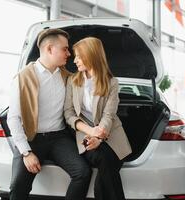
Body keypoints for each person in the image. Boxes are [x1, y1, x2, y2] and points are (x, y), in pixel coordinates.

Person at [7, 28, 91, 200]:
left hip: (59, 138)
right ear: (49, 49)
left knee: (83, 172)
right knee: (17, 188)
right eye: (65, 49)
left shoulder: (68, 77)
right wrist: (26, 153)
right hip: (31, 139)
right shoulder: (22, 78)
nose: (69, 53)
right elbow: (13, 118)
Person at [64, 37, 132, 200]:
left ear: (91, 55)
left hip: (112, 134)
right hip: (85, 135)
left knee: (107, 161)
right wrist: (91, 132)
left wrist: (99, 137)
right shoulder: (72, 81)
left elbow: (109, 114)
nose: (75, 60)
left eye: (79, 56)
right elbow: (69, 113)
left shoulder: (112, 83)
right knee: (106, 159)